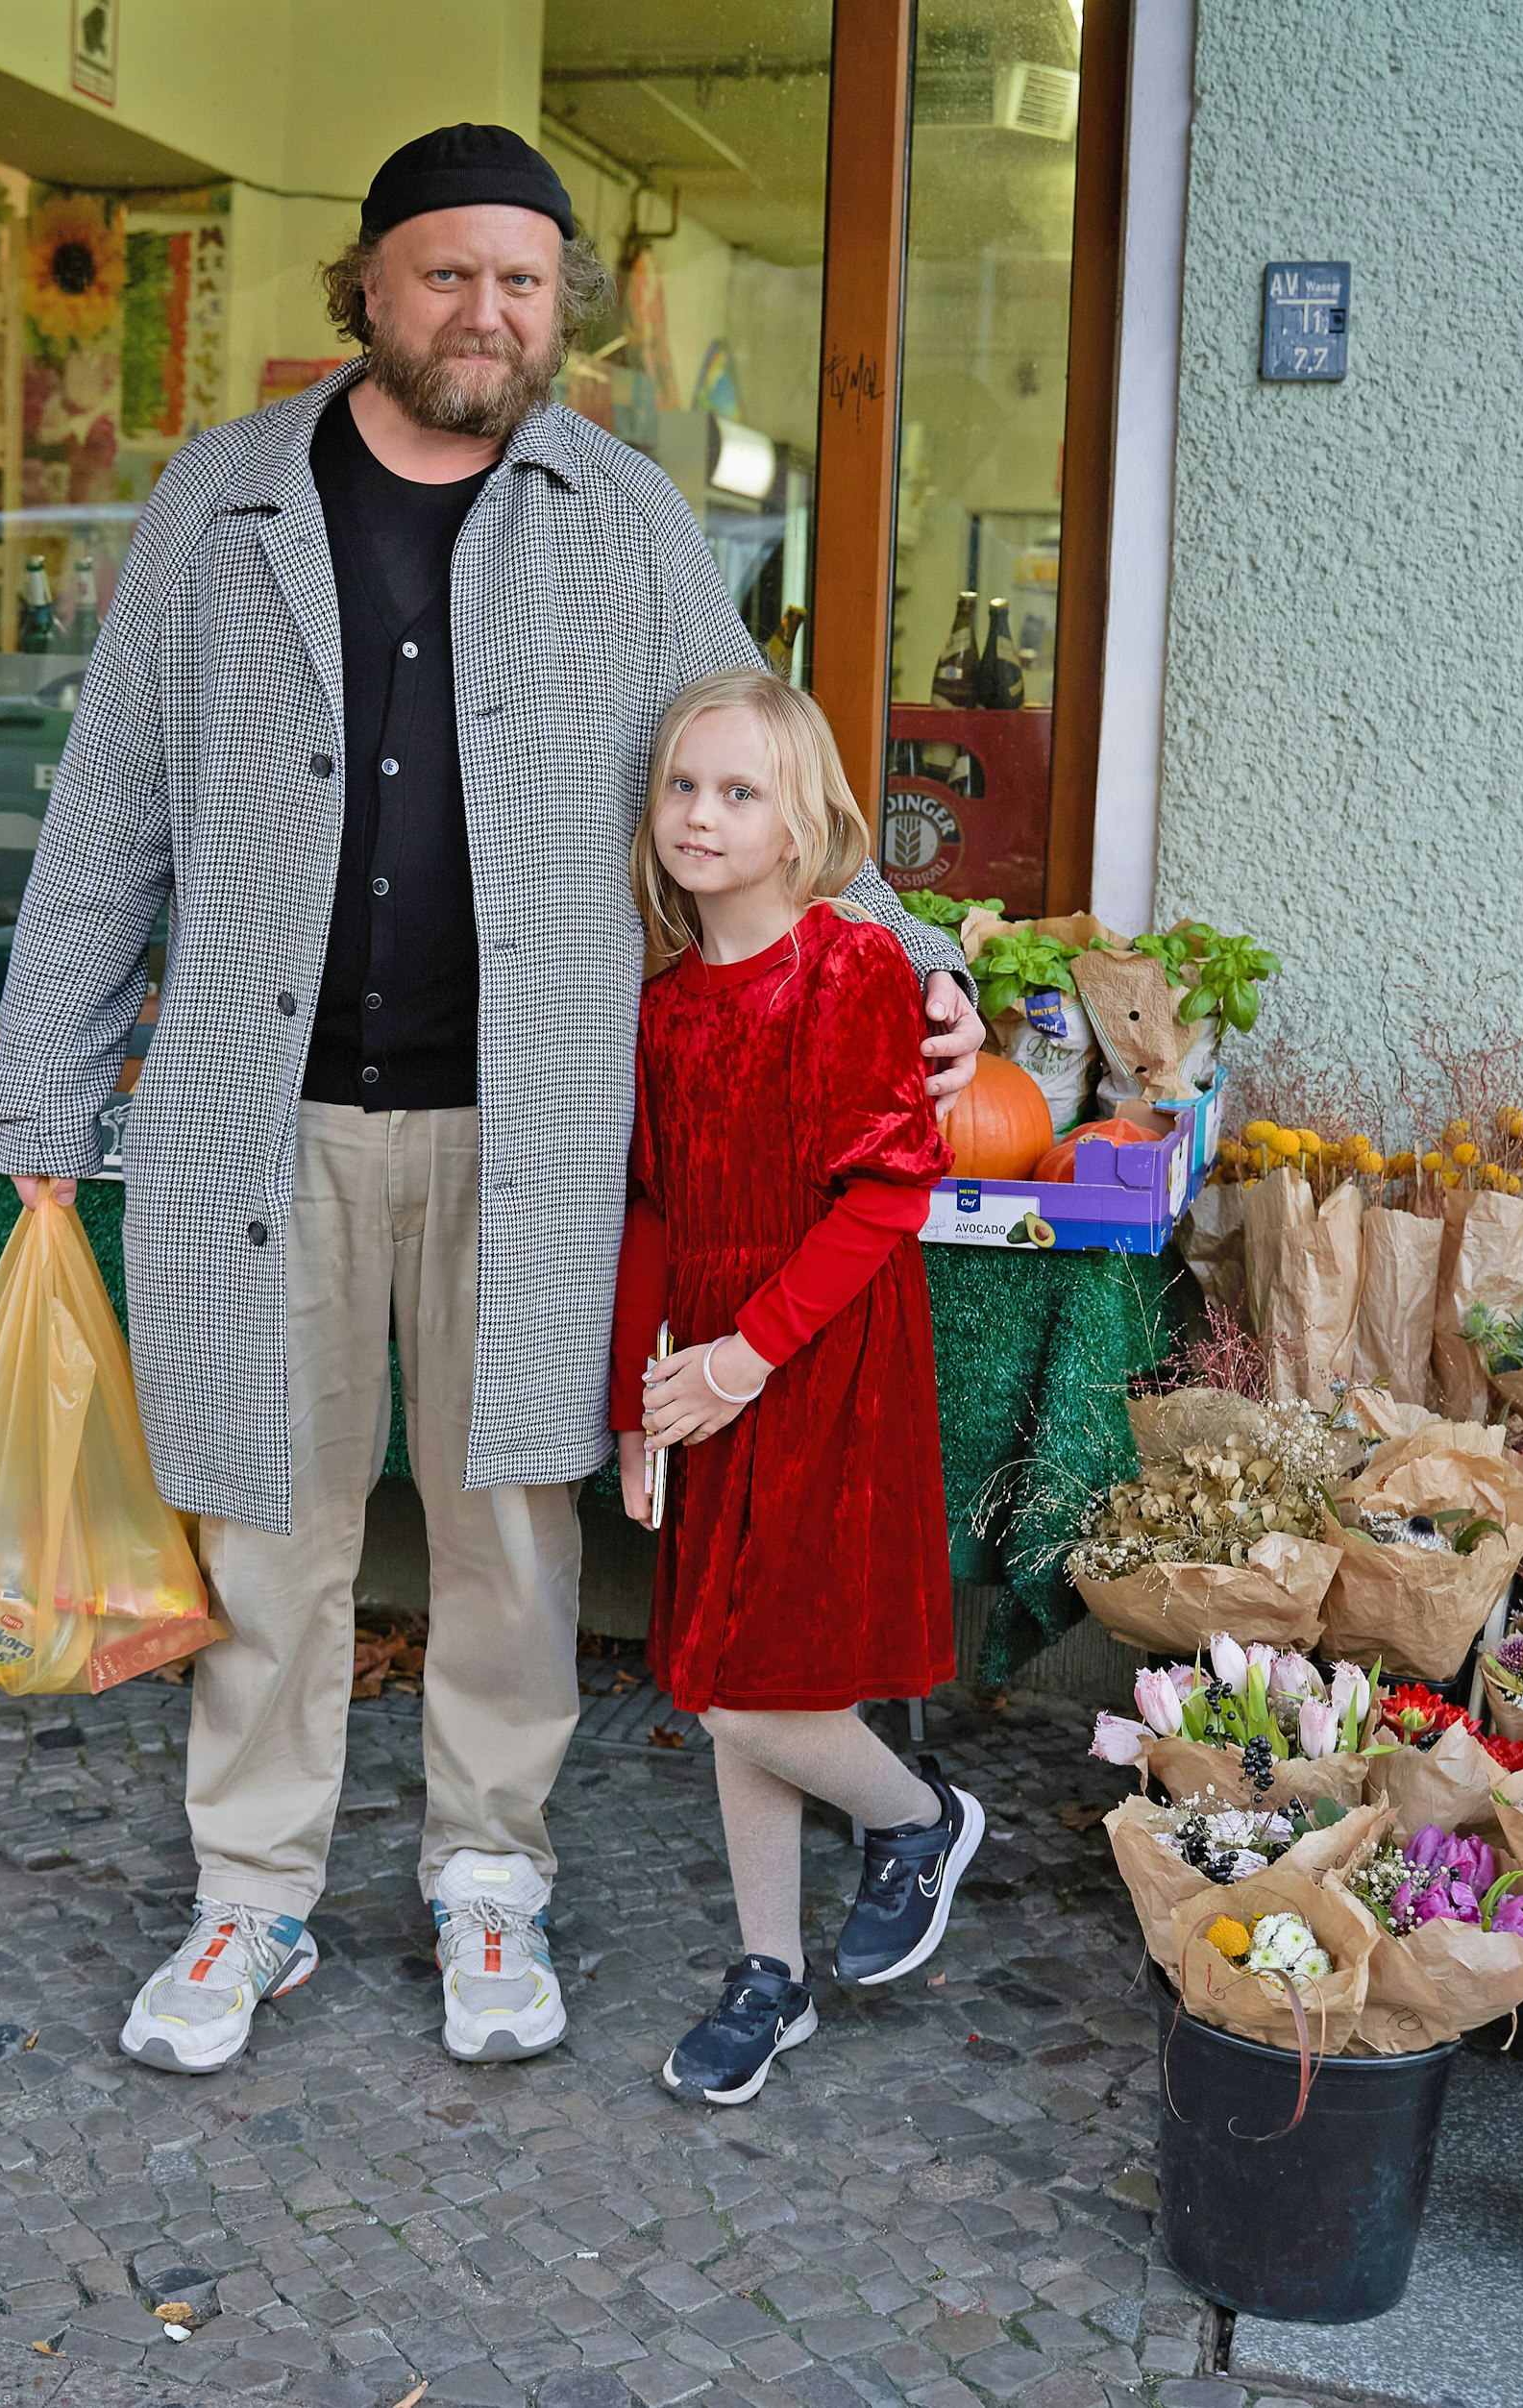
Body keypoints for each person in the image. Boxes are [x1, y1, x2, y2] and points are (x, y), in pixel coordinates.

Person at [0, 122, 983, 2076]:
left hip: (537, 1129)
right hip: (260, 1117)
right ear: (362, 284)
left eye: (523, 280)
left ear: (559, 307)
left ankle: (486, 1875)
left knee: (510, 1528)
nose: (486, 310)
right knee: (261, 1519)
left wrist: (913, 967)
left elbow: (756, 766)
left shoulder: (622, 515)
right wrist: (41, 1091)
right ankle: (251, 1895)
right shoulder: (223, 498)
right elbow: (108, 803)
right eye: (447, 273)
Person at [611, 669, 984, 2106]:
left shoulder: (849, 971)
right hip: (704, 1364)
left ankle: (922, 1813)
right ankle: (770, 1972)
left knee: (747, 1694)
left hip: (817, 1356)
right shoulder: (663, 1007)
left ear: (804, 822)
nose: (704, 815)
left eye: (739, 791)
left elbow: (890, 1190)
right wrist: (638, 1398)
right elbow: (649, 1205)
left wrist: (746, 1355)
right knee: (726, 1672)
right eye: (683, 787)